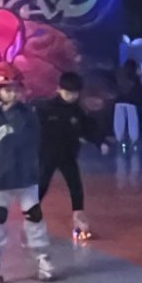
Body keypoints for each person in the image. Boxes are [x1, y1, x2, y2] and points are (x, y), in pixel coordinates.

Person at [0, 67, 55, 283]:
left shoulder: (28, 115)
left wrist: (37, 169)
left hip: (26, 178)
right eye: (7, 89)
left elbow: (38, 144)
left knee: (34, 216)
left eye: (15, 89)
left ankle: (43, 259)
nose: (12, 94)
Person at [38, 70, 102, 241]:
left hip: (68, 155)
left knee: (75, 186)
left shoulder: (77, 111)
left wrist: (99, 141)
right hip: (47, 155)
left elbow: (87, 129)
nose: (71, 97)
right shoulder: (45, 109)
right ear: (59, 89)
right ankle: (31, 218)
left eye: (75, 94)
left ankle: (78, 218)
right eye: (68, 93)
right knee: (41, 185)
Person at [113, 58, 142, 152]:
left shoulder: (119, 75)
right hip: (132, 102)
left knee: (119, 123)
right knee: (133, 123)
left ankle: (119, 141)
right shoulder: (136, 76)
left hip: (119, 102)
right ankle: (133, 142)